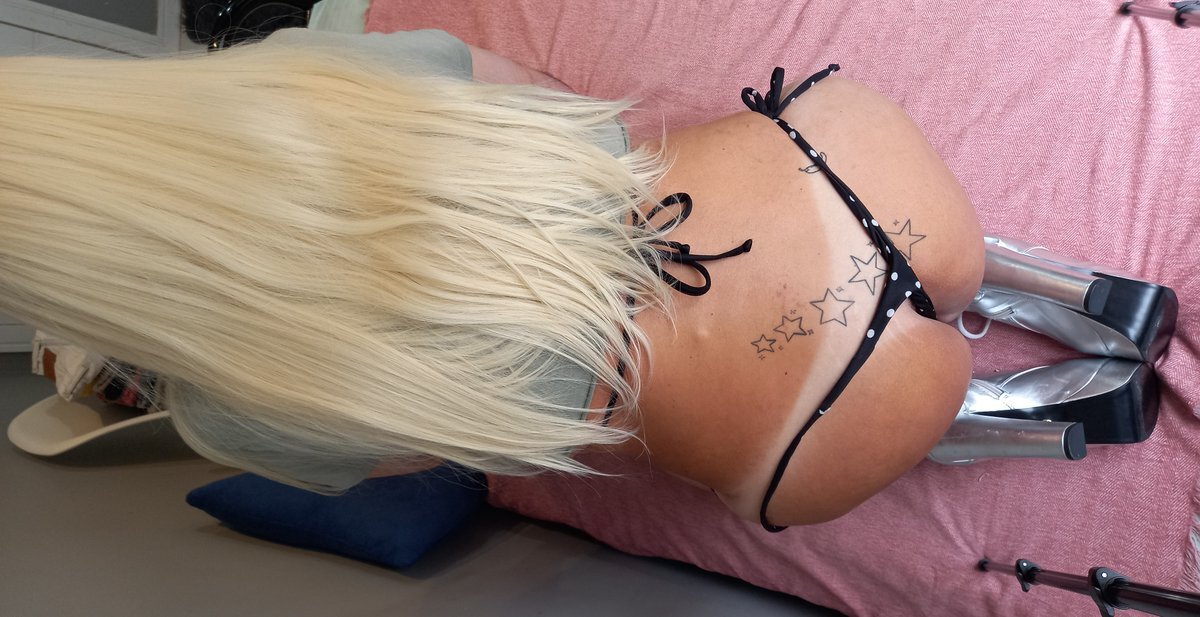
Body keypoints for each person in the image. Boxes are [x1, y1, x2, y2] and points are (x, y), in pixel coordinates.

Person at [0, 28, 1171, 531]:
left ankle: (1016, 411)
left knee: (876, 407)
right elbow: (538, 98)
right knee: (902, 235)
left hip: (819, 426)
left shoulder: (226, 418)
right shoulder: (293, 77)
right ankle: (1042, 283)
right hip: (855, 182)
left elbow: (463, 446)